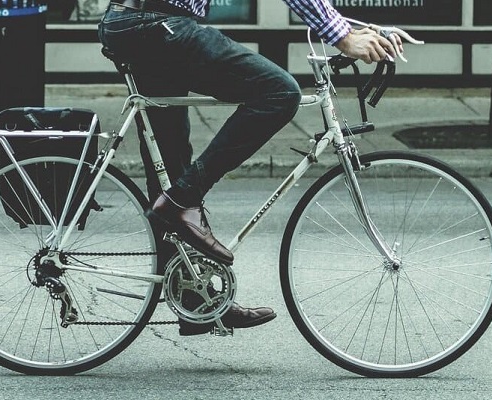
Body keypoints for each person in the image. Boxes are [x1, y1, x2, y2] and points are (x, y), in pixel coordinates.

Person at [98, 0, 402, 336]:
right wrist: (343, 36)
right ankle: (181, 202)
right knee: (279, 92)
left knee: (171, 160)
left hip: (141, 22)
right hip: (156, 24)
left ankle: (194, 296)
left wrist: (353, 27)